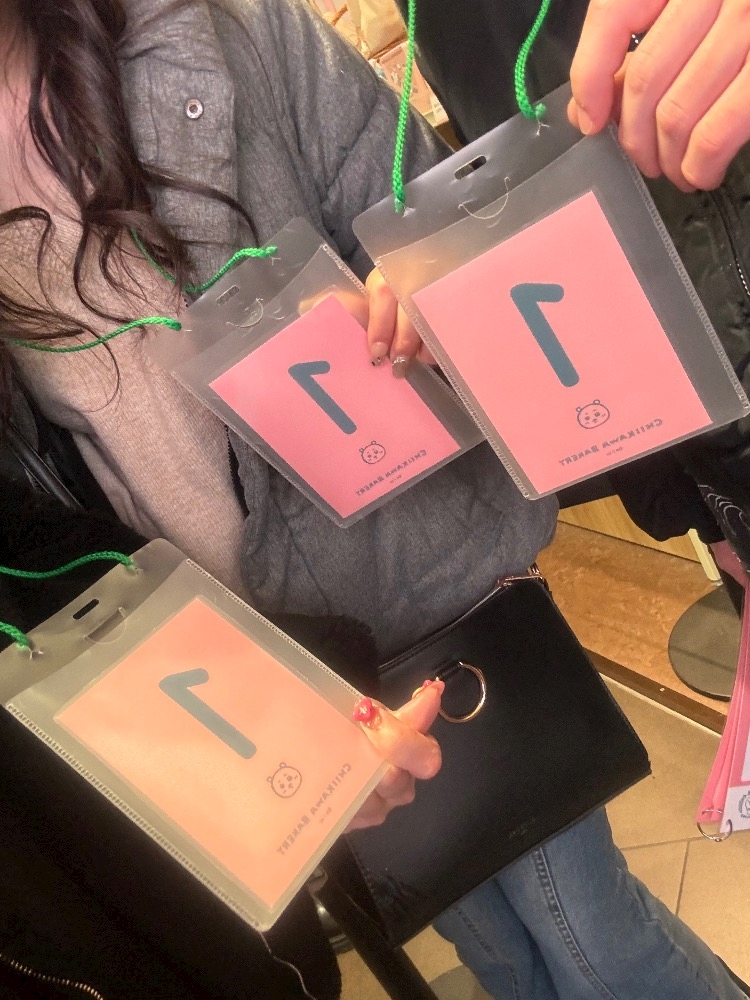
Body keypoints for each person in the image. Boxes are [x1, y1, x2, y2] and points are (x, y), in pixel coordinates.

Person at [0, 2, 746, 1000]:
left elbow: (431, 218)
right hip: (280, 678)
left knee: (590, 939)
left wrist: (413, 299)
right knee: (499, 953)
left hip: (435, 601)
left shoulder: (224, 34)